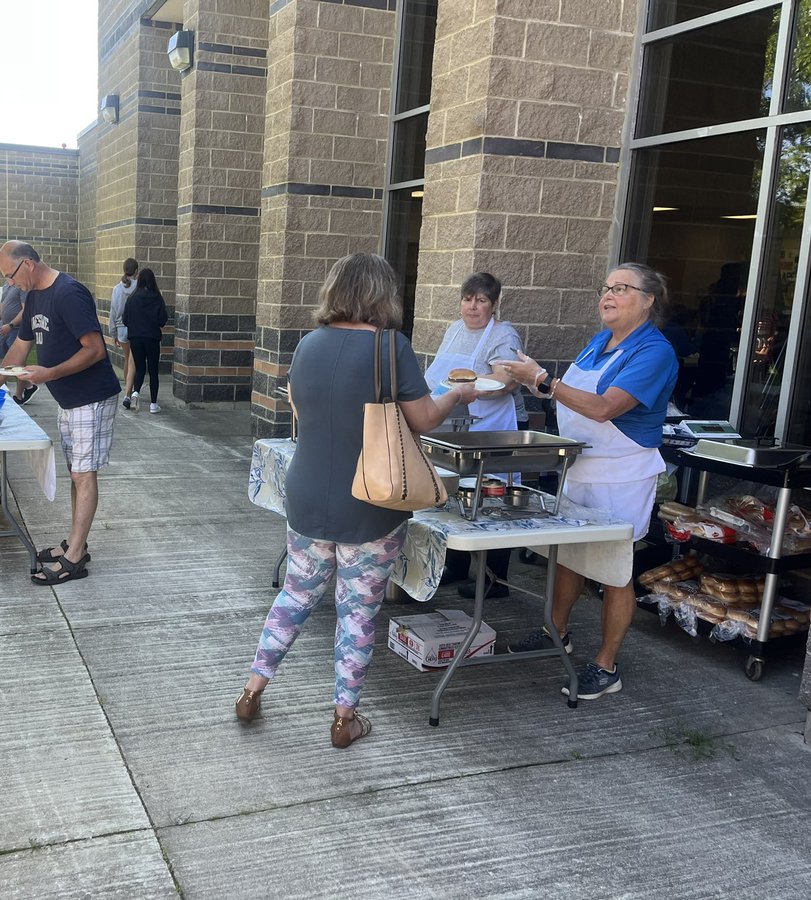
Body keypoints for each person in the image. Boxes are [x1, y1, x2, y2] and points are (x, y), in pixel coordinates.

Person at [235, 253, 480, 747]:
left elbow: (301, 406)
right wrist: (459, 396)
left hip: (306, 492)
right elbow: (425, 418)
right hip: (371, 499)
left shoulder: (307, 345)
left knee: (295, 595)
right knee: (358, 612)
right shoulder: (391, 348)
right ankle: (345, 719)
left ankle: (252, 689)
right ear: (381, 295)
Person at [494, 262, 678, 701]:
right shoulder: (601, 341)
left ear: (649, 300)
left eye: (622, 289)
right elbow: (564, 393)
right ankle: (555, 632)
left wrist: (543, 380)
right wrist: (527, 378)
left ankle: (606, 665)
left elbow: (603, 408)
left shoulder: (654, 352)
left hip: (622, 475)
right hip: (580, 468)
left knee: (615, 572)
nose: (608, 295)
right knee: (569, 557)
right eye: (606, 287)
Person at [0, 240, 122, 585]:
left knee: (84, 476)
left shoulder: (68, 293)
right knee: (76, 473)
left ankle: (74, 559)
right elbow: (21, 349)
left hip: (92, 397)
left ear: (27, 264)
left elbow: (96, 350)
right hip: (68, 400)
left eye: (10, 276)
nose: (9, 284)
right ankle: (76, 543)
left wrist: (48, 374)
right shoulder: (33, 298)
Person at [424, 272, 525, 599]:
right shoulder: (455, 330)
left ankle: (494, 579)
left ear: (494, 305)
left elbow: (505, 379)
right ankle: (454, 566)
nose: (472, 306)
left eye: (481, 300)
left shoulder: (503, 334)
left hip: (491, 426)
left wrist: (471, 388)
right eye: (468, 299)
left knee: (494, 495)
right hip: (454, 425)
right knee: (455, 492)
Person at [123, 266, 168, 413]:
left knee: (140, 368)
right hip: (152, 338)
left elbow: (125, 320)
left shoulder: (132, 298)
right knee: (153, 370)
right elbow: (163, 320)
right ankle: (153, 405)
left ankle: (135, 393)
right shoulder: (157, 298)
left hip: (135, 338)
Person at [110, 257, 137, 408]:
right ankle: (130, 391)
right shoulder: (139, 287)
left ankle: (129, 388)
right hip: (136, 328)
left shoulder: (117, 289)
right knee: (135, 360)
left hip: (121, 328)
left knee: (128, 359)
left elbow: (113, 312)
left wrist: (112, 333)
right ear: (136, 271)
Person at [0, 279, 27, 360]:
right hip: (4, 329)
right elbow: (1, 305)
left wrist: (11, 325)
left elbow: (25, 310)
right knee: (2, 359)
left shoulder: (21, 285)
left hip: (17, 330)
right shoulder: (6, 285)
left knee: (15, 360)